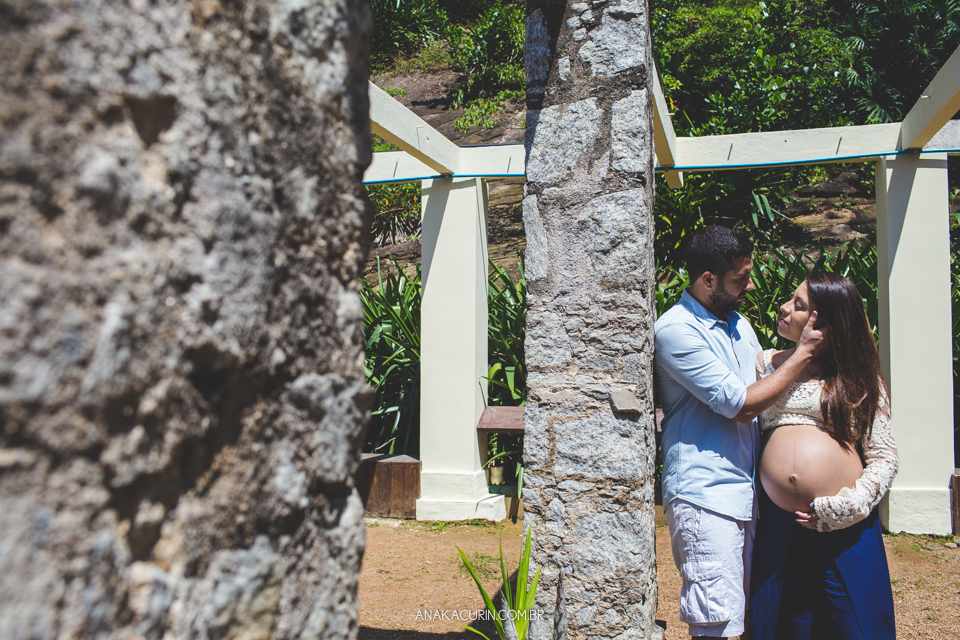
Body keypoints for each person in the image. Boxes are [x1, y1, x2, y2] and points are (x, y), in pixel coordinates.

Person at [654, 226, 827, 638]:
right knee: (715, 624)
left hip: (746, 495)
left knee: (746, 618)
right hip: (705, 496)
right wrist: (803, 353)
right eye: (739, 278)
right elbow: (743, 405)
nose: (750, 285)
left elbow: (766, 381)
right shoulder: (676, 331)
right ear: (707, 279)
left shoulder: (739, 325)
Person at [749, 270, 898, 640]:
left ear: (827, 325)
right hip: (778, 526)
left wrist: (848, 507)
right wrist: (801, 355)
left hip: (845, 529)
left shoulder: (858, 377)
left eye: (799, 306)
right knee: (787, 626)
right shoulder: (763, 365)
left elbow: (885, 457)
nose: (784, 308)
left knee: (852, 625)